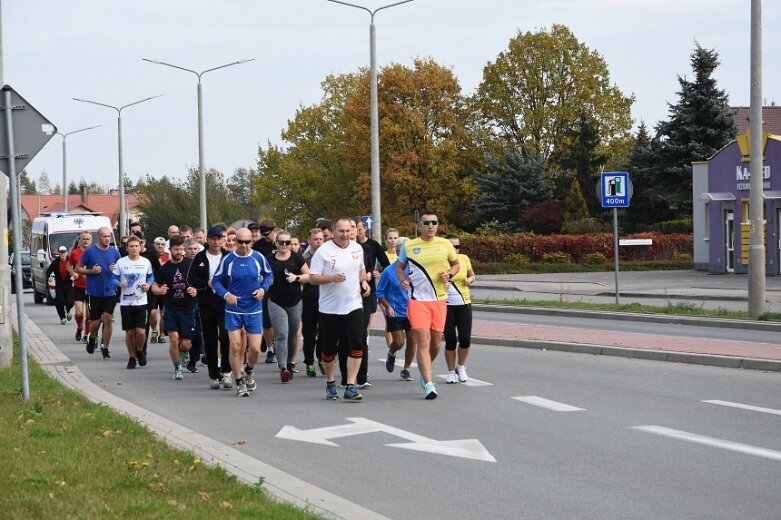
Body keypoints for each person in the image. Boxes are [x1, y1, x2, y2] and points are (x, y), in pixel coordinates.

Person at [396, 212, 459, 400]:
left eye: (434, 223)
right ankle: (428, 383)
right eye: (426, 223)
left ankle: (426, 370)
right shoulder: (410, 246)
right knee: (422, 340)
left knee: (436, 342)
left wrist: (450, 274)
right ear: (419, 226)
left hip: (439, 299)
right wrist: (403, 280)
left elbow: (455, 264)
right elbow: (400, 267)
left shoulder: (445, 244)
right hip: (417, 300)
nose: (431, 226)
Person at [309, 217, 371, 401]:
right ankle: (330, 383)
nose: (345, 235)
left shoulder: (356, 248)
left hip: (353, 304)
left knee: (357, 343)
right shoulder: (324, 252)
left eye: (348, 231)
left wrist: (364, 281)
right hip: (330, 308)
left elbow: (361, 269)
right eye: (341, 231)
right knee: (329, 349)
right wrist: (331, 278)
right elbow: (313, 278)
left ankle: (350, 386)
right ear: (334, 232)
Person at [211, 227, 274, 397]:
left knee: (255, 349)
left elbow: (269, 276)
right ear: (234, 241)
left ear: (251, 242)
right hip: (234, 309)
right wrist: (226, 294)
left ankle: (249, 371)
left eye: (248, 242)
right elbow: (216, 281)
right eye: (240, 242)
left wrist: (263, 290)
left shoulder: (258, 257)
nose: (244, 245)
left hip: (254, 309)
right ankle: (239, 382)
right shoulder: (228, 260)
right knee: (235, 346)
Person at [188, 226, 231, 390]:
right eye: (213, 238)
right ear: (207, 240)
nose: (216, 241)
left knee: (226, 337)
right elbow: (191, 278)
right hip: (206, 302)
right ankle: (214, 375)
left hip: (224, 301)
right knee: (210, 339)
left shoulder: (228, 257)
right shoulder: (200, 257)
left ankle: (227, 372)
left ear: (223, 240)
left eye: (219, 238)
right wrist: (206, 283)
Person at [265, 229, 309, 383]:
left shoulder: (296, 258)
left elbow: (308, 276)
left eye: (287, 242)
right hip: (276, 301)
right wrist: (265, 282)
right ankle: (283, 367)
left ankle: (290, 363)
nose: (284, 245)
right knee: (282, 333)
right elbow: (260, 275)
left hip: (295, 301)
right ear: (276, 243)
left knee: (292, 334)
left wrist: (296, 277)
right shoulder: (269, 259)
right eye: (281, 242)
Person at [151, 235, 197, 380]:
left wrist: (195, 289)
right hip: (170, 308)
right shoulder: (165, 269)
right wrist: (159, 291)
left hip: (187, 308)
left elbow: (199, 282)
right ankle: (177, 368)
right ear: (170, 250)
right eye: (176, 249)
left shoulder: (190, 264)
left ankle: (185, 352)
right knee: (174, 339)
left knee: (186, 343)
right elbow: (154, 286)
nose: (179, 252)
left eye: (181, 249)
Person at [353, 217, 390, 389]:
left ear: (364, 229)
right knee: (350, 334)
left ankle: (362, 374)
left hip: (367, 292)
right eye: (354, 228)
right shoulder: (339, 249)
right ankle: (350, 370)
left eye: (358, 228)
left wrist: (373, 273)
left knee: (362, 332)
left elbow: (384, 264)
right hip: (345, 296)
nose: (356, 231)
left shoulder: (371, 246)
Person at [76, 226, 121, 359]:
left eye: (109, 237)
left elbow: (122, 270)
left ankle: (105, 348)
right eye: (104, 236)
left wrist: (116, 269)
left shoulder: (115, 252)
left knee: (107, 319)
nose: (107, 239)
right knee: (95, 322)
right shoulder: (90, 251)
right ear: (99, 237)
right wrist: (91, 271)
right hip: (94, 292)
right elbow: (78, 268)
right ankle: (92, 337)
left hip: (110, 292)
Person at [377, 238, 416, 381]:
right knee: (399, 342)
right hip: (395, 311)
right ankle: (392, 353)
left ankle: (406, 369)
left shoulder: (414, 270)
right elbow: (379, 293)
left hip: (412, 311)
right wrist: (387, 306)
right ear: (400, 252)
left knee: (412, 340)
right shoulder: (388, 271)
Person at [112, 235, 154, 369]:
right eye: (131, 246)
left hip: (141, 301)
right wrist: (119, 283)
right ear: (127, 248)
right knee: (129, 332)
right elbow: (113, 279)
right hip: (126, 302)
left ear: (140, 247)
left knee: (141, 332)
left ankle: (140, 350)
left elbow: (151, 276)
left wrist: (148, 285)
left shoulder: (145, 261)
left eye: (136, 246)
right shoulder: (121, 262)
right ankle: (131, 357)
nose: (134, 248)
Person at [443, 234, 476, 383]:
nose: (455, 249)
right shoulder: (440, 261)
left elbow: (472, 275)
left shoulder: (464, 259)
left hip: (464, 304)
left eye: (457, 246)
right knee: (450, 341)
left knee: (465, 339)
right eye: (452, 246)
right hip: (446, 306)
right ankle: (451, 372)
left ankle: (461, 367)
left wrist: (470, 280)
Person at [301, 227, 324, 377]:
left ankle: (322, 357)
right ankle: (309, 362)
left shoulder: (328, 256)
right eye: (315, 239)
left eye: (321, 239)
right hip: (309, 297)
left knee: (325, 331)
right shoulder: (304, 258)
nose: (318, 242)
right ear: (309, 240)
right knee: (309, 332)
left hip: (326, 298)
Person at [67, 232, 92, 342]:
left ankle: (87, 334)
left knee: (89, 313)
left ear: (91, 241)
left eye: (88, 239)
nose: (85, 241)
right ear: (80, 240)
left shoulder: (94, 253)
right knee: (79, 313)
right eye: (84, 239)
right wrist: (72, 273)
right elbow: (68, 265)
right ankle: (79, 327)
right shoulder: (74, 253)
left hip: (91, 287)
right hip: (78, 287)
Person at [47, 245, 74, 325]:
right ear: (58, 253)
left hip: (69, 284)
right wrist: (49, 277)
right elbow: (48, 271)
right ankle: (62, 317)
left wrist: (74, 275)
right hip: (59, 285)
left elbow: (76, 269)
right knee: (59, 302)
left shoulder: (70, 262)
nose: (62, 254)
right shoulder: (55, 262)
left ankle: (68, 310)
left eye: (64, 252)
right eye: (61, 253)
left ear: (67, 253)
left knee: (70, 301)